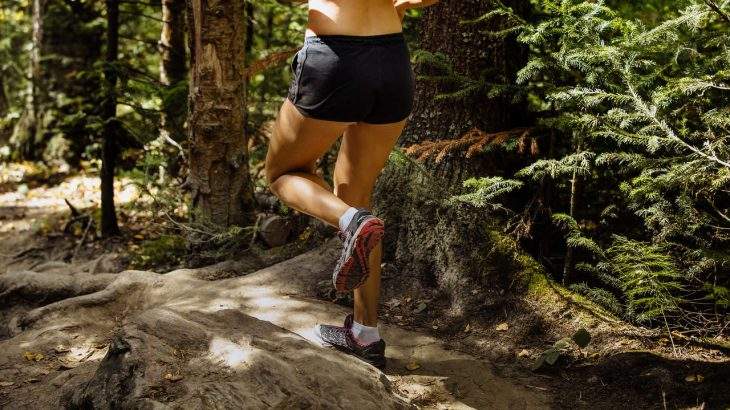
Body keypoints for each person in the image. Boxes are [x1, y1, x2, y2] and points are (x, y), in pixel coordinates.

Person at [264, 0, 440, 370]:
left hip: (336, 56)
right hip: (392, 60)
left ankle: (350, 222)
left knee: (282, 173)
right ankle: (365, 334)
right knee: (356, 195)